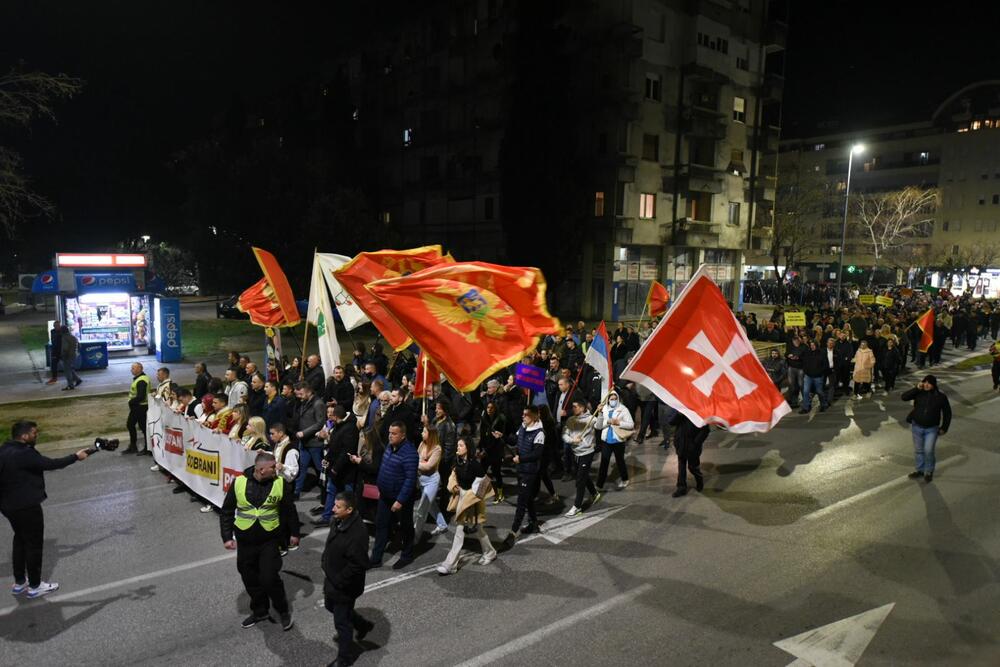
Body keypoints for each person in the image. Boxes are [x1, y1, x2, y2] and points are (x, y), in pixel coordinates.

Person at [0, 421, 91, 598]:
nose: (37, 436)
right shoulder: (24, 453)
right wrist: (75, 456)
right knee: (33, 545)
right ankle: (35, 586)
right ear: (24, 436)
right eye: (34, 433)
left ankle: (20, 582)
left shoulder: (4, 450)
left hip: (8, 506)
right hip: (26, 506)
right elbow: (51, 464)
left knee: (19, 540)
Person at [220, 451, 299, 631]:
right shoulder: (239, 482)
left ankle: (283, 610)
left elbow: (289, 510)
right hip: (245, 540)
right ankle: (260, 610)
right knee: (249, 577)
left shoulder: (280, 483)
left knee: (269, 578)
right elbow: (226, 511)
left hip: (269, 540)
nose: (276, 469)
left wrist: (295, 533)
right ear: (262, 470)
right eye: (273, 467)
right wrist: (226, 537)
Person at [322, 491, 375, 667]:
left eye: (338, 507)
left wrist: (339, 580)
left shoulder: (357, 534)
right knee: (330, 606)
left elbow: (358, 564)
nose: (333, 509)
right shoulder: (338, 520)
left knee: (342, 623)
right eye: (334, 505)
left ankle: (344, 660)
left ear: (349, 509)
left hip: (344, 586)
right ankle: (362, 625)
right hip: (333, 579)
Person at [437, 437, 497, 575]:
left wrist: (472, 497)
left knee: (469, 530)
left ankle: (452, 564)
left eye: (461, 445)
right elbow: (453, 476)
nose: (457, 447)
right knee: (469, 530)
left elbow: (485, 483)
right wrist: (455, 486)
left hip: (472, 501)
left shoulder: (475, 465)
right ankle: (488, 552)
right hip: (462, 498)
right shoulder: (457, 461)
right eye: (457, 445)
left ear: (467, 448)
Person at [369, 421, 419, 569]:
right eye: (390, 433)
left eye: (394, 433)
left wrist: (400, 500)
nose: (390, 436)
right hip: (385, 495)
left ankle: (407, 555)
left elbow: (410, 480)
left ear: (403, 435)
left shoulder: (410, 453)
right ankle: (376, 558)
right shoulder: (390, 447)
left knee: (405, 526)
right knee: (381, 524)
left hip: (400, 499)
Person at [505, 405, 545, 543]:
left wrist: (521, 459)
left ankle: (514, 530)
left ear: (534, 416)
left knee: (521, 501)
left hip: (529, 471)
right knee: (527, 498)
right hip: (521, 469)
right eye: (523, 414)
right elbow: (514, 440)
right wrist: (502, 436)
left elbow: (536, 454)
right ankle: (533, 524)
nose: (523, 416)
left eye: (526, 414)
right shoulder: (522, 427)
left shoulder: (539, 433)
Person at [314, 406, 359, 527]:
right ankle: (327, 517)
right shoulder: (339, 426)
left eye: (331, 415)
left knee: (348, 496)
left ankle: (350, 520)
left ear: (336, 416)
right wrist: (328, 459)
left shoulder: (350, 429)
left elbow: (346, 451)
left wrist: (335, 468)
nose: (329, 417)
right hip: (335, 467)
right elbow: (333, 445)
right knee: (331, 490)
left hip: (345, 470)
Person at [901, 376, 951, 483]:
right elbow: (904, 397)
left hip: (931, 429)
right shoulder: (919, 392)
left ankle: (928, 471)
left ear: (934, 385)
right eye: (925, 382)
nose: (927, 385)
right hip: (917, 426)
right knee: (919, 450)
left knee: (928, 451)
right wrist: (916, 388)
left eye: (929, 383)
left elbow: (947, 413)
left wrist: (944, 428)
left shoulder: (940, 397)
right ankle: (920, 470)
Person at [561, 398, 601, 517]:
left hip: (587, 452)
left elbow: (599, 426)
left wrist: (601, 413)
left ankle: (577, 507)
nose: (573, 409)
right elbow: (564, 435)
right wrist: (573, 440)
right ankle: (594, 493)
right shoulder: (570, 420)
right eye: (572, 407)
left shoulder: (591, 419)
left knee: (580, 480)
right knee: (583, 475)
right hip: (575, 452)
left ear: (583, 408)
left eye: (575, 406)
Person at [595, 390, 634, 491]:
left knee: (620, 461)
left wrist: (618, 423)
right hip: (606, 441)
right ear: (608, 400)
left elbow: (631, 425)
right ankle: (599, 485)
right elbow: (598, 426)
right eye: (611, 399)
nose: (613, 401)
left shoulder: (623, 409)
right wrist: (603, 417)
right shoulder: (603, 409)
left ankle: (625, 479)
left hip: (618, 440)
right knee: (604, 463)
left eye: (615, 399)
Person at [294, 381, 328, 499]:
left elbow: (320, 423)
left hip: (315, 443)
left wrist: (304, 432)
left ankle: (325, 493)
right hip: (304, 442)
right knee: (302, 468)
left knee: (319, 469)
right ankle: (296, 493)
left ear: (308, 391)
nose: (299, 397)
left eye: (301, 394)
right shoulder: (304, 402)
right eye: (297, 394)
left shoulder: (318, 404)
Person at [413, 427, 448, 538]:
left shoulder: (437, 448)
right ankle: (442, 525)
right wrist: (421, 462)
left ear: (431, 434)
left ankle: (415, 536)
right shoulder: (422, 444)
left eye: (424, 431)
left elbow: (428, 466)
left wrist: (419, 463)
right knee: (432, 506)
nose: (421, 433)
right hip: (421, 480)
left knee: (422, 510)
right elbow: (415, 457)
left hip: (432, 481)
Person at [670, 413, 710, 497]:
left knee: (693, 467)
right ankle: (681, 487)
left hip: (693, 446)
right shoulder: (681, 409)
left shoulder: (700, 412)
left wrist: (695, 443)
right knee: (681, 466)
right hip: (681, 443)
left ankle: (699, 478)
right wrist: (679, 414)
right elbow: (671, 422)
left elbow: (705, 430)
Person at [478, 401, 507, 504]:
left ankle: (500, 494)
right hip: (485, 450)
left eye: (491, 408)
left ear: (495, 409)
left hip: (495, 451)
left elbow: (497, 439)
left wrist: (485, 451)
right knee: (482, 473)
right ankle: (480, 493)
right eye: (488, 408)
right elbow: (482, 435)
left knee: (496, 472)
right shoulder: (484, 419)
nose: (489, 410)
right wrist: (480, 448)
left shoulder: (500, 419)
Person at [123, 362, 151, 455]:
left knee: (136, 426)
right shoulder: (140, 379)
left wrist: (131, 402)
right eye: (132, 368)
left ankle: (143, 447)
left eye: (133, 368)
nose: (131, 370)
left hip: (140, 407)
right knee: (137, 426)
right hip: (139, 407)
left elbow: (141, 396)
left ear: (140, 369)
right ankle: (135, 446)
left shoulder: (141, 380)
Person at [799, 340, 829, 414]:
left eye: (813, 345)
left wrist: (820, 372)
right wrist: (806, 371)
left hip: (818, 376)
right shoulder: (807, 353)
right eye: (811, 345)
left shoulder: (822, 353)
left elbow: (825, 364)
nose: (812, 346)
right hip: (808, 376)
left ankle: (823, 405)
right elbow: (804, 363)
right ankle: (806, 407)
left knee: (819, 391)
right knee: (805, 391)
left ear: (816, 345)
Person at [60, 325, 81, 390]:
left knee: (67, 371)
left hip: (68, 356)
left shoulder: (65, 337)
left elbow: (65, 348)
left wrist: (63, 355)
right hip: (74, 355)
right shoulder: (73, 337)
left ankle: (70, 385)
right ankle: (77, 379)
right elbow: (79, 346)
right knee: (70, 369)